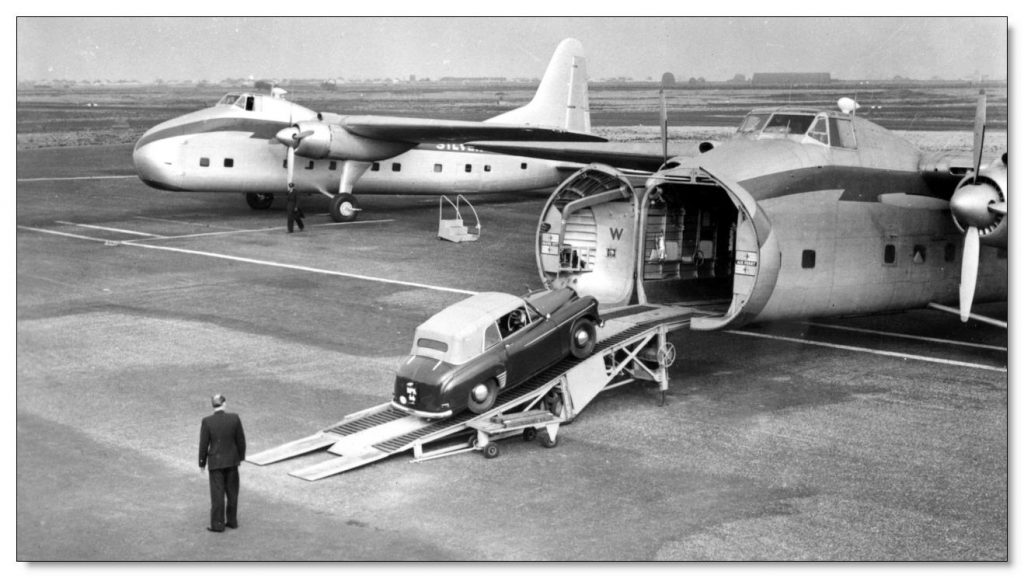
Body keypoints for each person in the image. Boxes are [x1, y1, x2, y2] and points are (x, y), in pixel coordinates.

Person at [199, 394, 246, 532]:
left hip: (216, 463)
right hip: (232, 461)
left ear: (213, 405)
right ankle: (232, 521)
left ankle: (218, 524)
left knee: (217, 494)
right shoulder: (234, 418)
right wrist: (240, 457)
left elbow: (204, 444)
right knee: (232, 492)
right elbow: (241, 440)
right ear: (224, 404)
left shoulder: (207, 421)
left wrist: (202, 462)